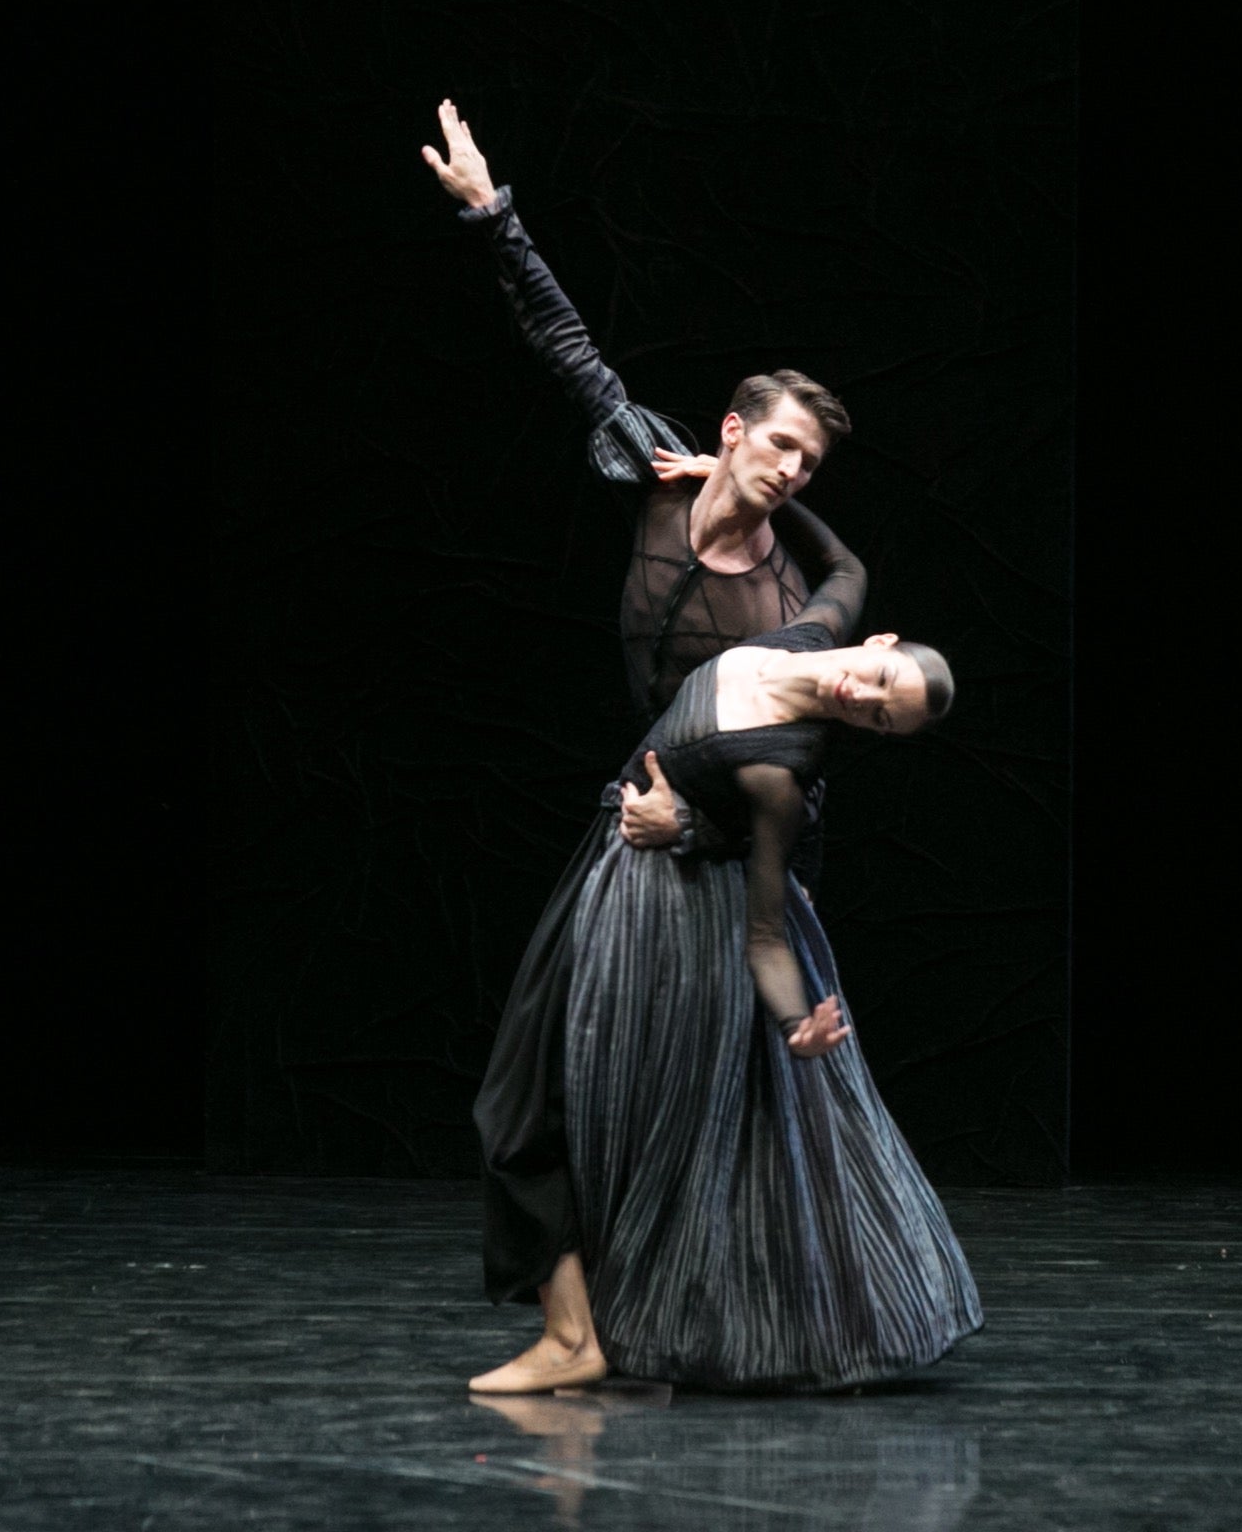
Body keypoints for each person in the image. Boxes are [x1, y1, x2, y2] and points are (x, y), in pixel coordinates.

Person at [466, 563, 983, 1392]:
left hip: (658, 924)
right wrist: (721, 461)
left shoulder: (782, 773)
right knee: (540, 1108)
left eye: (883, 719)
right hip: (605, 878)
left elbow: (767, 933)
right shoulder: (809, 634)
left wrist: (792, 1022)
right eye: (881, 679)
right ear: (877, 641)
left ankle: (576, 1336)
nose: (863, 698)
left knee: (551, 1111)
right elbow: (847, 565)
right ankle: (573, 1333)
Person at [421, 100, 865, 860]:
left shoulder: (785, 613)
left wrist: (690, 829)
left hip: (703, 855)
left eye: (809, 464)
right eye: (780, 444)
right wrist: (491, 212)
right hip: (618, 792)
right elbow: (571, 353)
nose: (791, 470)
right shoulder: (662, 476)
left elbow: (798, 801)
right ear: (732, 432)